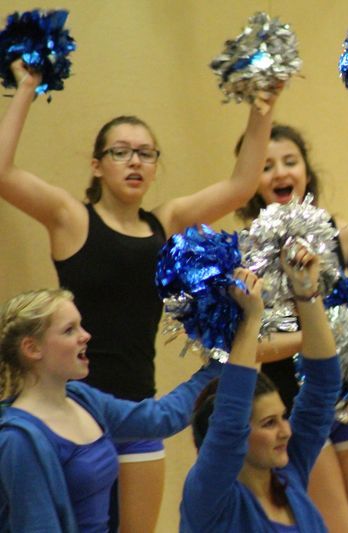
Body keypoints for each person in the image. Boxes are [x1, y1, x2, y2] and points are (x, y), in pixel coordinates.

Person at [0, 59, 278, 532]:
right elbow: (3, 172)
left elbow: (241, 186)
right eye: (121, 152)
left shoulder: (164, 223)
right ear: (97, 165)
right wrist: (26, 86)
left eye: (146, 154)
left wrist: (263, 108)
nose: (135, 162)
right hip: (71, 412)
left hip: (138, 415)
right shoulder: (71, 218)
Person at [234, 124, 348, 532]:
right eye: (266, 166)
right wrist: (318, 339)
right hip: (293, 407)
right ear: (250, 180)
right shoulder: (245, 252)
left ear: (306, 171)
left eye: (290, 162)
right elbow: (248, 346)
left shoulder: (342, 235)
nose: (280, 172)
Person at [0, 288, 221, 532]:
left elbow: (161, 418)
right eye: (69, 330)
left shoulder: (82, 399)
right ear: (32, 348)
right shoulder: (18, 439)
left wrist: (222, 359)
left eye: (81, 326)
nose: (85, 336)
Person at [180, 254, 341, 532]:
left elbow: (323, 387)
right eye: (269, 423)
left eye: (282, 418)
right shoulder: (209, 499)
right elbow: (230, 423)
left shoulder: (288, 475)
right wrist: (252, 318)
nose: (286, 431)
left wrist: (307, 292)